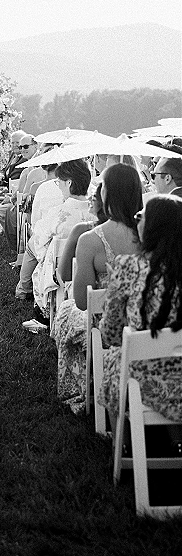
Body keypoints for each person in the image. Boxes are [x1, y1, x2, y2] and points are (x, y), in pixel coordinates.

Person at [52, 165, 142, 413]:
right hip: (144, 323)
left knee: (67, 313)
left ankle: (86, 385)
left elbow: (83, 302)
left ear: (106, 194)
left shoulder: (91, 238)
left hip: (105, 327)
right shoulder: (151, 233)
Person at [98, 195, 182, 426]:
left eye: (140, 216)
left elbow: (111, 334)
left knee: (115, 357)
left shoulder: (129, 267)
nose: (136, 222)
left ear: (152, 226)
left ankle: (121, 445)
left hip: (144, 378)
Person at [18, 159, 93, 331]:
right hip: (89, 272)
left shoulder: (57, 216)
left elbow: (39, 243)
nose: (57, 186)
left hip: (59, 274)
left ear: (69, 183)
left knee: (42, 258)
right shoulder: (97, 214)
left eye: (59, 182)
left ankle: (44, 316)